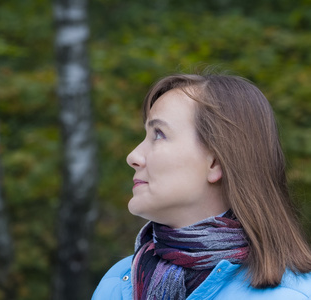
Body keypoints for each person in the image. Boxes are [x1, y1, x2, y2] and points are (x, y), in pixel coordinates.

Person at [92, 73, 311, 300]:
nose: (133, 156)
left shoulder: (289, 295)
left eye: (158, 134)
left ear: (215, 161)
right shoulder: (116, 283)